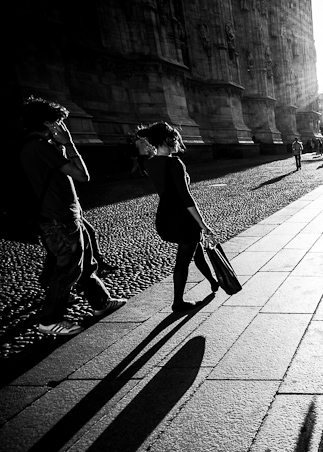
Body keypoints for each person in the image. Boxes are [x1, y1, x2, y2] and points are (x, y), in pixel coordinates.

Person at [20, 97, 126, 336]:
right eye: (59, 122)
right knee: (68, 269)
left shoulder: (33, 145)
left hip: (66, 214)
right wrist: (70, 144)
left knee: (86, 262)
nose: (62, 126)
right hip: (59, 217)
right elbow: (82, 175)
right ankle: (49, 320)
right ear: (48, 123)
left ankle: (101, 302)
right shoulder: (40, 147)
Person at [140, 122, 219, 313]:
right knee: (183, 262)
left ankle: (213, 282)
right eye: (175, 138)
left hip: (166, 216)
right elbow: (186, 197)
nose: (177, 142)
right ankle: (178, 302)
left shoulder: (149, 163)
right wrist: (203, 224)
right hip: (182, 218)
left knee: (196, 250)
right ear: (168, 139)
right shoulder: (174, 163)